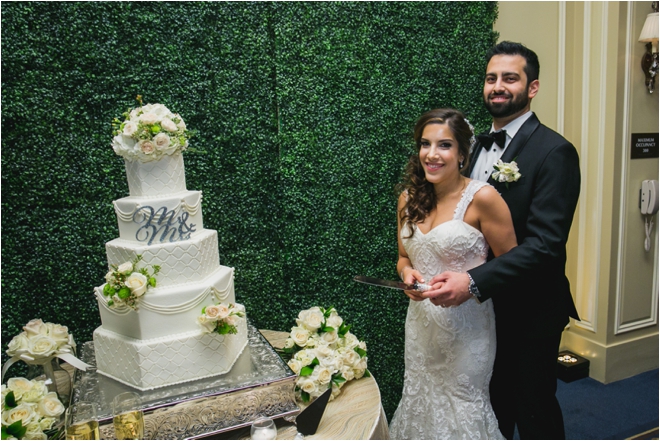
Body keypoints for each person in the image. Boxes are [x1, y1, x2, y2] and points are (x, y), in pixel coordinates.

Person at [422, 41, 581, 440]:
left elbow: (545, 246)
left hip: (529, 309)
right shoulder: (468, 147)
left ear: (532, 87)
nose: (498, 86)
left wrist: (474, 281)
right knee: (490, 406)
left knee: (533, 408)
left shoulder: (555, 151)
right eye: (491, 78)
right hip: (477, 313)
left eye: (510, 78)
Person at [388, 108, 517, 440]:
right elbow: (404, 257)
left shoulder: (483, 199)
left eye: (444, 145)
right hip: (420, 328)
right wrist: (407, 277)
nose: (431, 154)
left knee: (463, 410)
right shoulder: (407, 199)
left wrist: (470, 282)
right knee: (419, 400)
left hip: (468, 330)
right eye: (425, 144)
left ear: (462, 153)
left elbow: (513, 266)